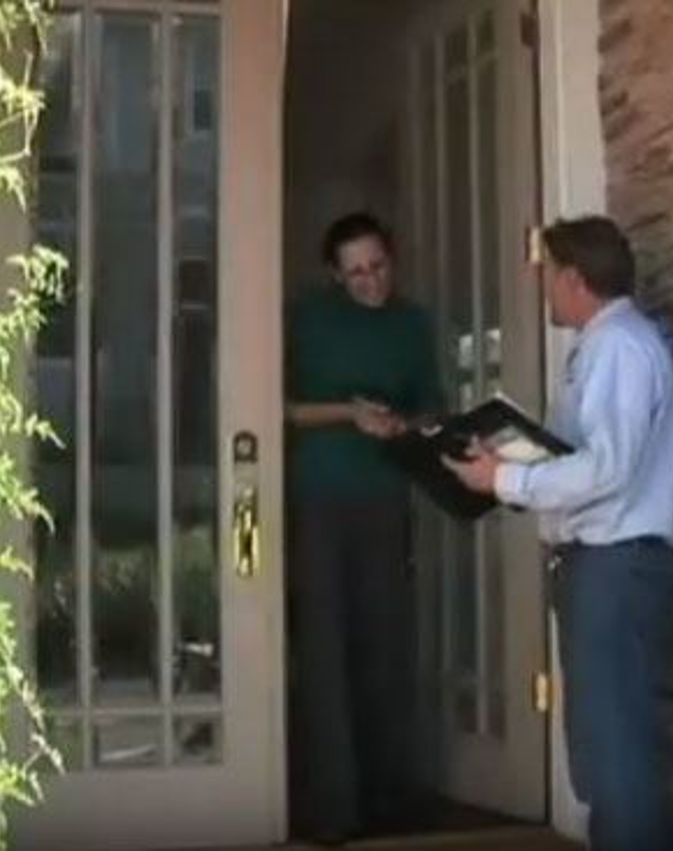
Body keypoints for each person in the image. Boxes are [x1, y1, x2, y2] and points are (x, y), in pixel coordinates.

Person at [443, 216, 673, 850]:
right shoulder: (602, 347)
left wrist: (506, 483)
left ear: (575, 278)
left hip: (616, 566)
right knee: (604, 749)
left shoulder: (620, 349)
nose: (542, 287)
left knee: (615, 753)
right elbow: (587, 456)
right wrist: (504, 460)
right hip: (600, 567)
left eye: (548, 274)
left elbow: (608, 465)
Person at [284, 212, 444, 845]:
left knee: (384, 645)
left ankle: (390, 800)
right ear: (335, 275)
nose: (369, 280)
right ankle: (332, 808)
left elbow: (432, 402)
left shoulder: (413, 323)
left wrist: (403, 423)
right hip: (320, 495)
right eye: (355, 272)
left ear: (392, 260)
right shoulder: (308, 319)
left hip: (385, 494)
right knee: (324, 651)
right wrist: (347, 413)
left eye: (377, 267)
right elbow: (280, 405)